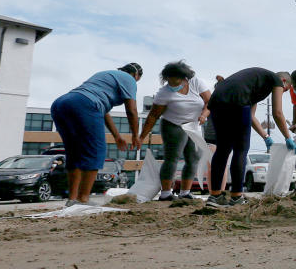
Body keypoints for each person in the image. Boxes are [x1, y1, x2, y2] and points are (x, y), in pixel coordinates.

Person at [50, 63, 142, 205]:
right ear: (136, 75)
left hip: (61, 103)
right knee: (96, 151)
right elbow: (132, 110)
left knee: (74, 152)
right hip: (84, 104)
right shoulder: (129, 80)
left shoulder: (105, 75)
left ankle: (72, 200)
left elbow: (102, 111)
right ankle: (83, 199)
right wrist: (136, 135)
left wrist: (117, 136)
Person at [205, 68, 296, 208]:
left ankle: (215, 196)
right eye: (285, 90)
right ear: (284, 81)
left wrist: (265, 136)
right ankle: (236, 197)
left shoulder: (255, 82)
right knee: (240, 150)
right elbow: (277, 113)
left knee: (223, 149)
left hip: (216, 102)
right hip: (237, 102)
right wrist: (287, 137)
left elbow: (250, 116)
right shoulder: (276, 80)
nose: (281, 92)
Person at [137, 61, 212, 200]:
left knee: (193, 159)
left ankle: (185, 192)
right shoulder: (164, 93)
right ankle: (166, 194)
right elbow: (153, 115)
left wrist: (203, 115)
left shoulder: (196, 83)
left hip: (194, 125)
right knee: (173, 158)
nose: (172, 85)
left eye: (175, 82)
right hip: (173, 125)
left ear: (184, 78)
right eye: (169, 82)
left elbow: (210, 102)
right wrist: (141, 137)